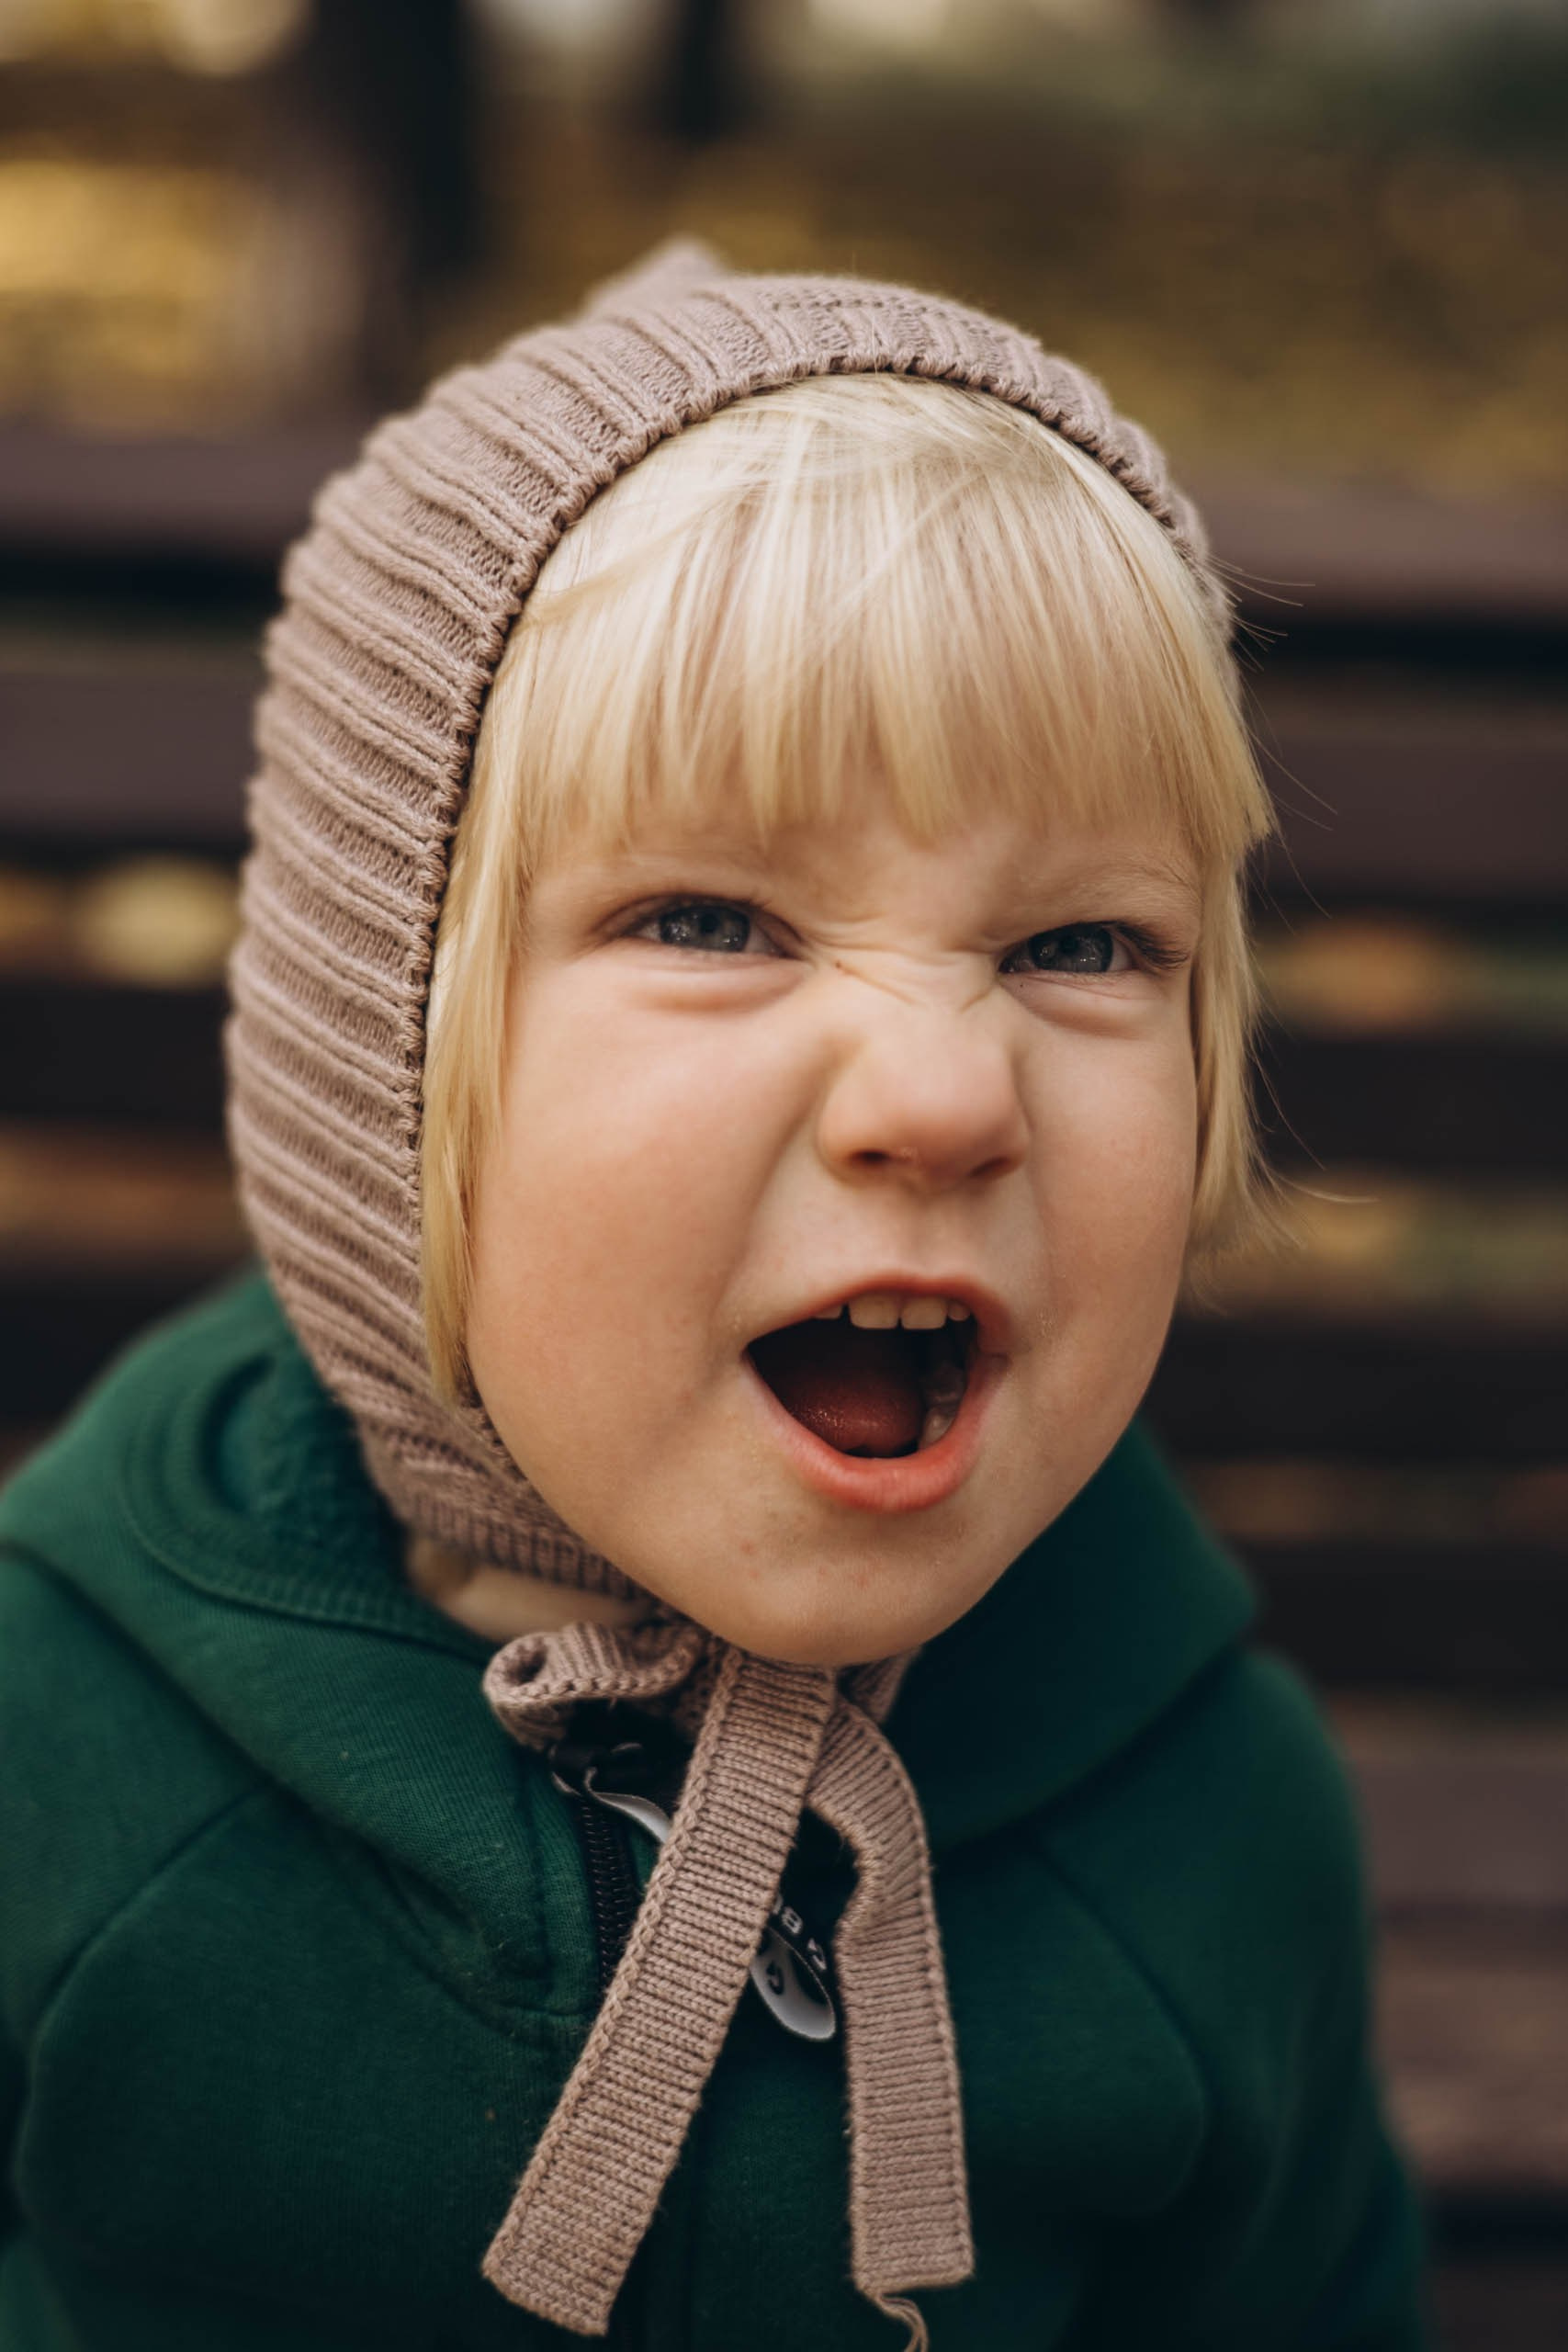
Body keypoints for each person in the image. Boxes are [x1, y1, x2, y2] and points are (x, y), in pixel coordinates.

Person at [0, 245, 1430, 2349]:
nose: (944, 1092)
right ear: (374, 1077)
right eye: (711, 916)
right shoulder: (56, 1744)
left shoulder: (1208, 1823)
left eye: (1080, 946)